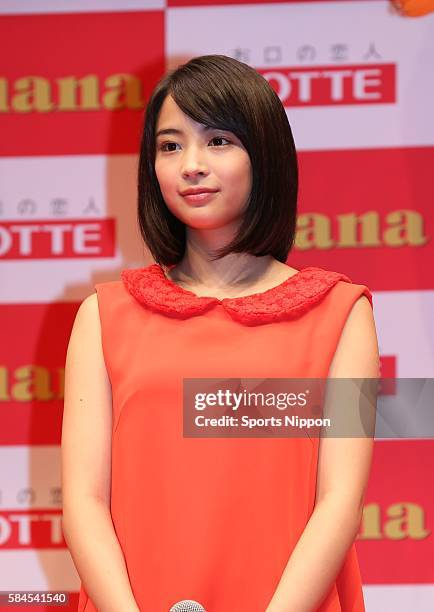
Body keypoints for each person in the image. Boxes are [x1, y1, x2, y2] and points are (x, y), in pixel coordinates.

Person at [61, 54, 380, 612]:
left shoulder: (342, 313)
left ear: (266, 156)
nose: (191, 165)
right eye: (170, 146)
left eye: (218, 141)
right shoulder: (102, 317)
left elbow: (340, 502)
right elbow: (85, 503)